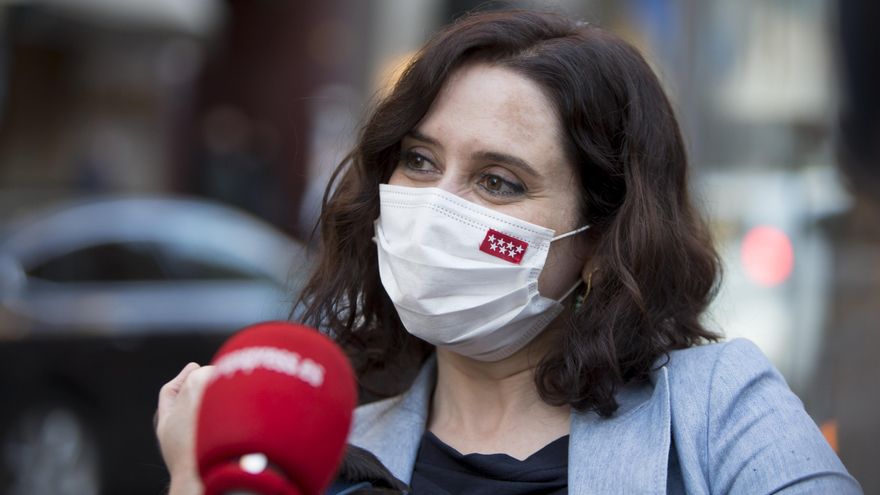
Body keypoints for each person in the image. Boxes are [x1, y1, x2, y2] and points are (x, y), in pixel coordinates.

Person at [156, 9, 862, 494]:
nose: (439, 205)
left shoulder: (718, 411)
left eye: (498, 181)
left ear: (597, 240)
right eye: (421, 162)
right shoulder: (322, 447)